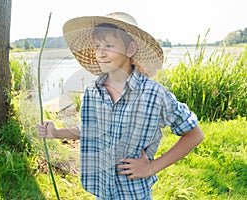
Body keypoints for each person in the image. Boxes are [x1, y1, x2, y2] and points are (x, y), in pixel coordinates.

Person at [37, 12, 204, 200]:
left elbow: (194, 134)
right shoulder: (92, 93)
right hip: (102, 191)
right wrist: (57, 132)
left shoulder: (154, 94)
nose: (101, 53)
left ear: (130, 49)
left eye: (109, 46)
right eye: (98, 46)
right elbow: (92, 130)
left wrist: (151, 167)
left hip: (133, 193)